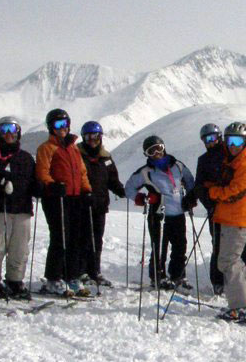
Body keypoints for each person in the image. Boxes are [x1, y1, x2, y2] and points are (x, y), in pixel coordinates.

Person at [192, 121, 246, 323]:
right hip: (231, 218)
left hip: (237, 220)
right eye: (230, 140)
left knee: (227, 262)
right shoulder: (233, 161)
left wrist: (211, 192)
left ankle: (240, 307)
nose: (233, 145)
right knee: (234, 261)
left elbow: (232, 193)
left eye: (238, 141)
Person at [183, 122, 246, 296]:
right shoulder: (204, 160)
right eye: (206, 139)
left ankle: (244, 283)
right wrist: (207, 203)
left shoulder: (230, 154)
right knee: (219, 247)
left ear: (220, 137)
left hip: (237, 211)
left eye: (213, 138)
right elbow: (199, 186)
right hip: (216, 211)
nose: (210, 142)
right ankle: (219, 282)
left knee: (242, 247)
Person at [0, 116, 38, 300]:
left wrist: (40, 188)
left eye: (13, 130)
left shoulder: (26, 158)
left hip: (22, 208)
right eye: (4, 130)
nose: (9, 134)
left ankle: (15, 280)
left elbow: (33, 180)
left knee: (20, 247)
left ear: (18, 133)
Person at [35, 109, 94, 297]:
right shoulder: (46, 148)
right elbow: (42, 171)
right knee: (60, 237)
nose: (62, 128)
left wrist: (86, 190)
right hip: (56, 198)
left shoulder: (73, 147)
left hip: (74, 197)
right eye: (58, 125)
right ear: (51, 127)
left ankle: (72, 276)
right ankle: (54, 277)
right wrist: (52, 185)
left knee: (75, 238)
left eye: (65, 124)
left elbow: (81, 172)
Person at [124, 135, 195, 290]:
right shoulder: (146, 172)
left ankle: (178, 275)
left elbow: (190, 181)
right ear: (147, 155)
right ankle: (158, 277)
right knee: (159, 247)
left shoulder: (178, 166)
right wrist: (143, 198)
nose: (156, 153)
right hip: (158, 215)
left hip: (178, 214)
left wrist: (191, 197)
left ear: (164, 147)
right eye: (151, 151)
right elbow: (129, 188)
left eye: (159, 148)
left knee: (180, 246)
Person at [78, 121, 126, 287]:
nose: (92, 139)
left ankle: (94, 271)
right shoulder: (78, 155)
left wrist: (121, 190)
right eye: (89, 136)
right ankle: (80, 271)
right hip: (81, 204)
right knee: (82, 238)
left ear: (100, 137)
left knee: (97, 239)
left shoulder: (105, 157)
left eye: (95, 136)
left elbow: (112, 178)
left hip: (99, 204)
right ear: (84, 137)